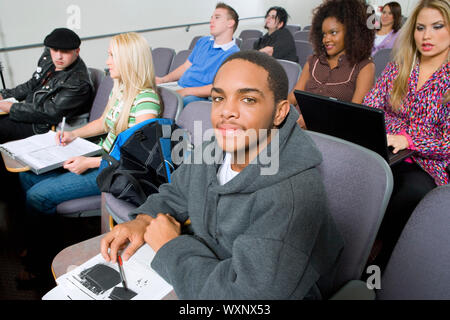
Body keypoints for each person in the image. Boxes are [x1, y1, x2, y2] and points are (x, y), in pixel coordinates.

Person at [101, 51, 344, 300]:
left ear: (280, 112)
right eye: (218, 98)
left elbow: (244, 299)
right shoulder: (213, 149)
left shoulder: (291, 197)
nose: (226, 111)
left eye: (248, 99)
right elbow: (177, 193)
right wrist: (144, 219)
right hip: (201, 274)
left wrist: (170, 247)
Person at [16, 32, 162, 287]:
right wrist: (72, 134)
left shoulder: (146, 99)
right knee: (28, 175)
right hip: (101, 159)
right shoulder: (122, 89)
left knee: (37, 196)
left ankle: (38, 265)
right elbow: (103, 123)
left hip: (112, 171)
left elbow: (136, 156)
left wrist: (91, 163)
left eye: (111, 55)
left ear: (129, 59)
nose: (107, 62)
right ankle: (43, 239)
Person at [363, 0, 449, 269]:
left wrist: (408, 139)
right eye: (421, 27)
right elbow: (370, 106)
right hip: (386, 150)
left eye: (437, 27)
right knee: (352, 176)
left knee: (406, 192)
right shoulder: (400, 67)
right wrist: (388, 134)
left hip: (429, 164)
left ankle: (379, 264)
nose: (427, 36)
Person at [287, 0, 375, 127]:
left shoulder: (365, 67)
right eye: (324, 34)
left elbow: (354, 115)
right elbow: (293, 97)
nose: (326, 39)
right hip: (298, 128)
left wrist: (312, 121)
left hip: (332, 135)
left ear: (352, 32)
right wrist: (278, 111)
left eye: (333, 32)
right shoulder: (313, 60)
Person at [0, 28, 94, 143]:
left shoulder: (78, 82)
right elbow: (32, 84)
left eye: (65, 52)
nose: (58, 56)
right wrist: (4, 95)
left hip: (42, 125)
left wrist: (11, 107)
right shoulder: (49, 57)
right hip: (31, 111)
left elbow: (50, 113)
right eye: (54, 50)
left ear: (77, 51)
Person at [156, 2, 240, 106]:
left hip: (199, 96)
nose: (211, 21)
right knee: (147, 93)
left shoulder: (234, 55)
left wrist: (186, 91)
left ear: (230, 23)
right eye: (211, 17)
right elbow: (186, 67)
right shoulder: (203, 41)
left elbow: (218, 87)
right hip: (180, 86)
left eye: (217, 17)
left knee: (171, 103)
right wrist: (163, 80)